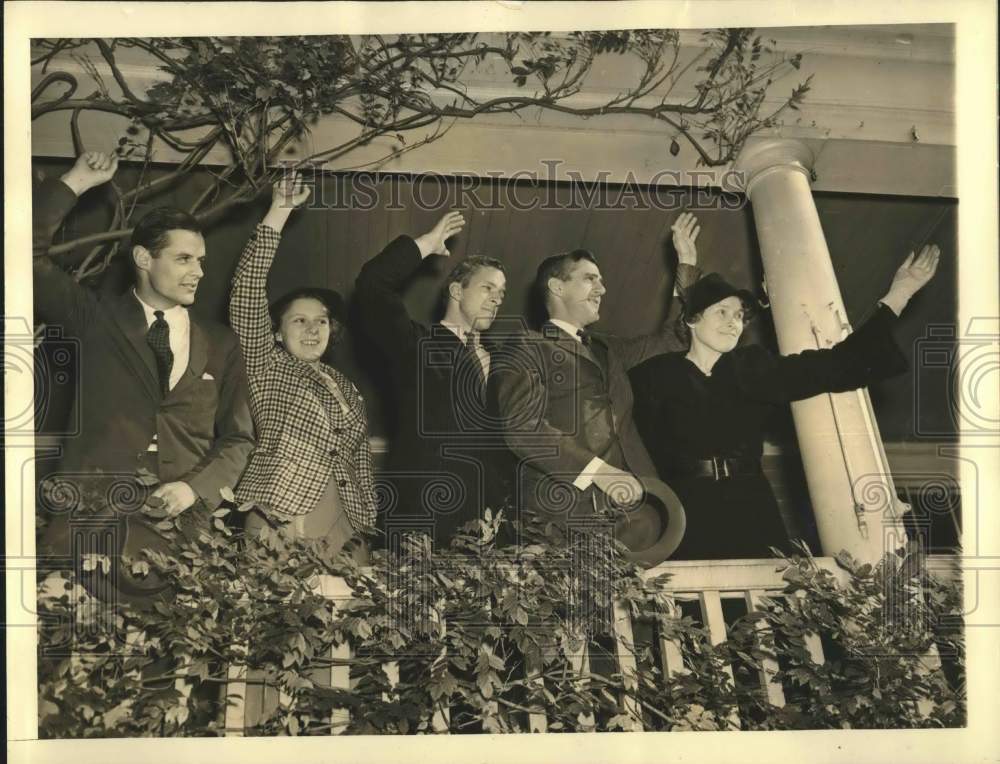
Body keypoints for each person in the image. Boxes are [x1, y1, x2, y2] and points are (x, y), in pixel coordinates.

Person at [34, 151, 255, 606]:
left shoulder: (222, 344)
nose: (198, 271)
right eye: (183, 259)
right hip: (87, 528)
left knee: (167, 671)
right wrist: (74, 183)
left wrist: (194, 488)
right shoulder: (93, 318)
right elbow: (22, 254)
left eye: (201, 260)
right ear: (142, 257)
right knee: (75, 667)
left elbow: (238, 438)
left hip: (179, 537)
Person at [628, 244, 941, 561]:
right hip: (683, 511)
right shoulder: (654, 375)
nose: (733, 323)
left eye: (739, 316)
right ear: (693, 320)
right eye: (721, 312)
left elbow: (836, 364)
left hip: (750, 509)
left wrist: (899, 294)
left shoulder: (751, 367)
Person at [495, 213, 702, 533]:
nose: (602, 289)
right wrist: (599, 472)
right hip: (563, 520)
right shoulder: (527, 344)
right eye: (590, 278)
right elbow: (522, 428)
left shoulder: (609, 350)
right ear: (557, 286)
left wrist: (686, 266)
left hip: (637, 516)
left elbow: (674, 339)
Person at [229, 173, 376, 559]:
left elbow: (358, 459)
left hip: (345, 517)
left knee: (348, 613)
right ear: (276, 333)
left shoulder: (343, 384)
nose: (313, 328)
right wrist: (279, 212)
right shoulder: (267, 364)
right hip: (282, 508)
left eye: (322, 320)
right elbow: (246, 291)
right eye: (299, 320)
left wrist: (364, 521)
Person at [354, 211, 515, 550]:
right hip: (420, 520)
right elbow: (373, 285)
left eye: (501, 293)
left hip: (484, 530)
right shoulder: (417, 345)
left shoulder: (503, 360)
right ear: (456, 290)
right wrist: (425, 244)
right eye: (488, 287)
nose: (498, 299)